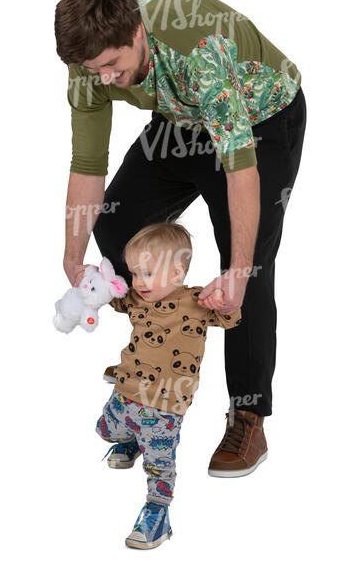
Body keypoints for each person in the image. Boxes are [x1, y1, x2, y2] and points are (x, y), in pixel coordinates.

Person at [55, 0, 307, 479]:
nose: (106, 78)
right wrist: (71, 255)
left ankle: (248, 414)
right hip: (184, 116)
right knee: (120, 223)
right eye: (95, 70)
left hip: (258, 116)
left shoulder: (198, 51)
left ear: (136, 31)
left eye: (113, 65)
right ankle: (155, 350)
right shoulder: (89, 65)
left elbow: (240, 169)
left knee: (247, 267)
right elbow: (87, 166)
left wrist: (234, 272)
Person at [95, 220, 244, 549]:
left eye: (146, 273)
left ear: (176, 273)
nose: (138, 281)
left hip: (165, 405)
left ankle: (157, 515)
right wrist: (97, 283)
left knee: (158, 463)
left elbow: (231, 317)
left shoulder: (197, 301)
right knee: (105, 430)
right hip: (125, 390)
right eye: (134, 273)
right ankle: (132, 439)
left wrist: (224, 298)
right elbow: (116, 298)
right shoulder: (136, 297)